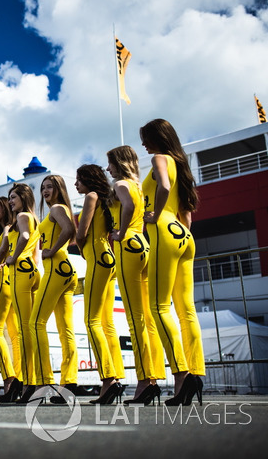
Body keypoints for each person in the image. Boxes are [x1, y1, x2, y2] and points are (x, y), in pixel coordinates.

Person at [141, 118, 205, 406]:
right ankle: (196, 372)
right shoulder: (181, 162)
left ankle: (181, 376)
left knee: (158, 306)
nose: (143, 144)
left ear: (157, 137)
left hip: (165, 230)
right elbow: (187, 212)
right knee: (186, 310)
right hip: (183, 234)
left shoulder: (159, 158)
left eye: (145, 138)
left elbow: (163, 187)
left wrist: (154, 214)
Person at [107, 146, 163, 403]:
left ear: (118, 163)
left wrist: (120, 231)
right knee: (148, 318)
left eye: (110, 164)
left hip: (127, 244)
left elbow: (126, 206)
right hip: (143, 243)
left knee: (134, 318)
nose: (108, 169)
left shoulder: (120, 184)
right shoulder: (137, 184)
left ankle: (143, 381)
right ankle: (153, 377)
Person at [74, 164, 126, 404]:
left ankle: (108, 380)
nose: (76, 184)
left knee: (91, 321)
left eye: (79, 180)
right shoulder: (108, 197)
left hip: (96, 255)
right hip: (109, 256)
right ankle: (116, 376)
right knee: (107, 324)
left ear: (88, 180)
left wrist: (81, 245)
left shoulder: (91, 197)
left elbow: (82, 232)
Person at [32, 175, 78, 402]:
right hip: (66, 270)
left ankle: (44, 380)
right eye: (43, 187)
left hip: (56, 268)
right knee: (65, 329)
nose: (45, 190)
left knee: (35, 322)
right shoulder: (61, 208)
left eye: (50, 186)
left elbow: (69, 230)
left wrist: (50, 249)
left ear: (59, 189)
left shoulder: (57, 208)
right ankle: (68, 382)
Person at [5, 183, 41, 403]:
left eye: (13, 198)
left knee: (24, 328)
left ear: (24, 197)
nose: (10, 202)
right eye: (9, 198)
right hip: (32, 271)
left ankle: (29, 381)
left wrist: (13, 257)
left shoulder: (22, 217)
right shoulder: (33, 217)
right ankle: (31, 379)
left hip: (20, 271)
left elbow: (25, 237)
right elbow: (35, 250)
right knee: (29, 327)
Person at [0, 197, 23, 402]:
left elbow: (2, 255)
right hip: (12, 282)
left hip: (4, 282)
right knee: (15, 334)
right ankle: (18, 377)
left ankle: (9, 378)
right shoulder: (10, 228)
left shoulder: (8, 229)